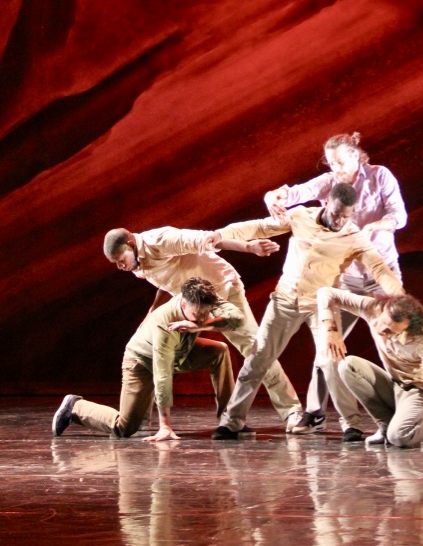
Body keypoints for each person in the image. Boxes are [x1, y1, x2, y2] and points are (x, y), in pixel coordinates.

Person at [205, 182, 404, 441]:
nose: (340, 221)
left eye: (346, 216)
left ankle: (351, 424)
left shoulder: (355, 237)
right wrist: (220, 234)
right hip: (285, 300)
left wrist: (400, 298)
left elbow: (379, 270)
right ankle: (231, 421)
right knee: (258, 358)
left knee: (331, 361)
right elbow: (260, 227)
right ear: (326, 204)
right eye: (336, 214)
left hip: (322, 306)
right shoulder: (301, 216)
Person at [264, 131, 407, 435]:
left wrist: (374, 227)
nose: (335, 168)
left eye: (340, 162)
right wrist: (273, 196)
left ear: (355, 156)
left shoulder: (379, 176)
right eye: (330, 163)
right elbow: (297, 193)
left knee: (392, 341)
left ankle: (404, 407)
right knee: (328, 346)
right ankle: (315, 412)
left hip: (380, 273)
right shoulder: (330, 182)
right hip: (346, 278)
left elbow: (400, 216)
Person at [103, 224, 302, 430]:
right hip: (192, 306)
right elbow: (167, 280)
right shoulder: (138, 264)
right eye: (116, 263)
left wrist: (248, 247)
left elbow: (207, 239)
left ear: (131, 244)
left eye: (121, 260)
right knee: (159, 350)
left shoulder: (160, 240)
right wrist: (153, 311)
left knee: (255, 350)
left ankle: (291, 411)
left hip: (222, 292)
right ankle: (144, 419)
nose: (120, 267)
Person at [52, 277, 241, 441]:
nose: (201, 318)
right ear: (183, 305)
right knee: (125, 427)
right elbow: (162, 374)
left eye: (206, 314)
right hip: (141, 362)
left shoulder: (204, 299)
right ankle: (75, 407)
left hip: (180, 353)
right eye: (197, 315)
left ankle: (229, 419)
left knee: (219, 351)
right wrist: (165, 425)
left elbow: (237, 318)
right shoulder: (164, 324)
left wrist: (200, 325)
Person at [317, 285, 423, 451]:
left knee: (400, 437)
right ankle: (385, 426)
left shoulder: (421, 342)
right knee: (348, 365)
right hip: (394, 384)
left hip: (418, 391)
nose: (381, 330)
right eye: (383, 322)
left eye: (390, 331)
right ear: (384, 310)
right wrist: (331, 330)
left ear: (406, 329)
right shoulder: (372, 307)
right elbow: (325, 293)